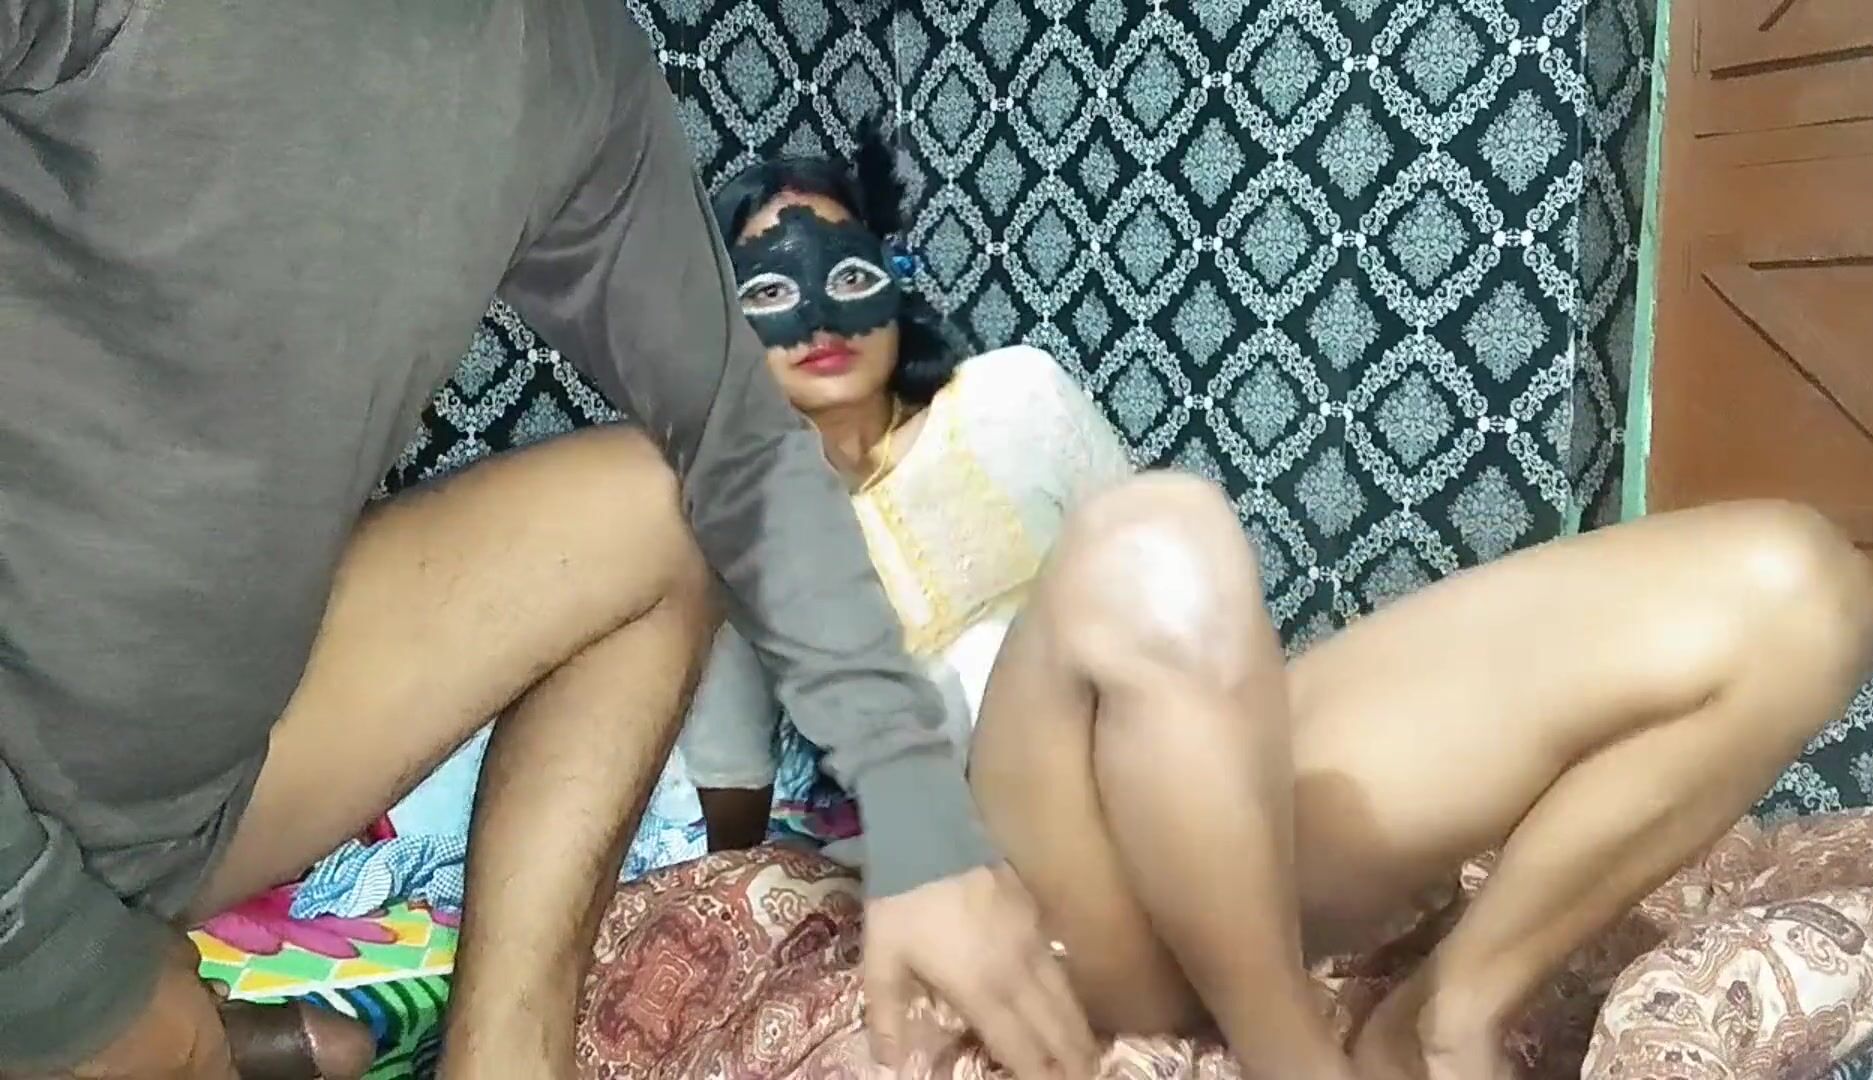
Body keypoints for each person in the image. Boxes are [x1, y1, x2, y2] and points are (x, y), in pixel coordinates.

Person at [0, 3, 1095, 1080]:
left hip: (185, 803)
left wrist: (919, 818)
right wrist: (68, 980)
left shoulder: (566, 58)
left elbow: (741, 445)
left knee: (663, 512)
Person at [683, 133, 1873, 1080]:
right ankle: (1287, 1054)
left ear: (896, 283)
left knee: (1803, 589)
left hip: (1219, 805)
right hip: (1028, 865)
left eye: (846, 273)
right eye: (769, 289)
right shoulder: (723, 526)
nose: (819, 319)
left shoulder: (1014, 397)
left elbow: (1178, 607)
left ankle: (1444, 1015)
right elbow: (728, 802)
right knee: (1151, 531)